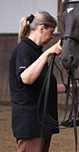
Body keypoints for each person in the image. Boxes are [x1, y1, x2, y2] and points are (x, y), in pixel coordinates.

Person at [9, 11, 66, 152]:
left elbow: (44, 86)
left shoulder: (36, 52)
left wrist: (71, 87)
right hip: (30, 123)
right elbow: (26, 78)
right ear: (41, 28)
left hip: (40, 122)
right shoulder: (24, 50)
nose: (52, 37)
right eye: (51, 32)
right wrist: (48, 53)